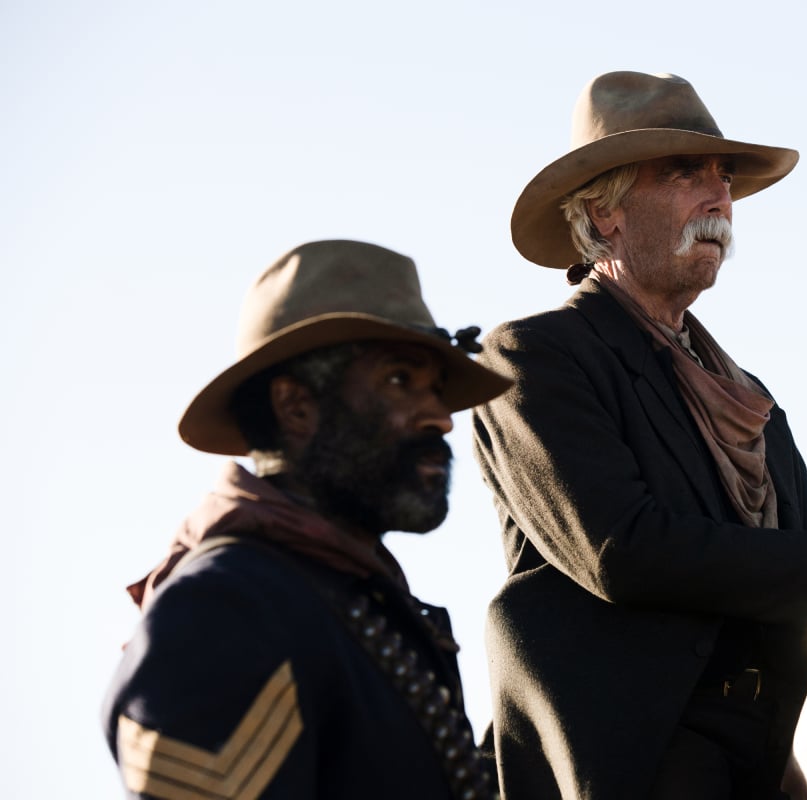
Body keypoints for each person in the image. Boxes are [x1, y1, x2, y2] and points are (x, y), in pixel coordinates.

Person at [472, 72, 807, 799]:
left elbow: (793, 577)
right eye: (681, 172)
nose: (718, 195)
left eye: (723, 176)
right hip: (635, 764)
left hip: (772, 761)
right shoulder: (533, 358)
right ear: (604, 215)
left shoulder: (752, 400)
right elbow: (621, 550)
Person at [102, 240, 512, 799]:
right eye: (399, 380)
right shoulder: (227, 605)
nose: (440, 419)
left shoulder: (339, 597)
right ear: (296, 407)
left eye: (437, 390)